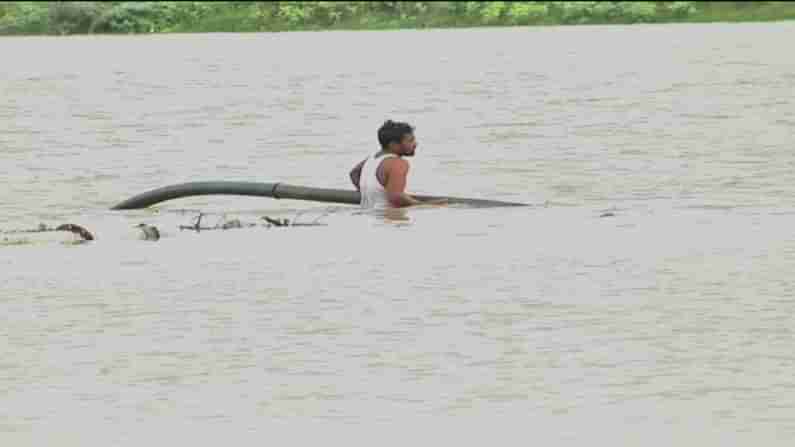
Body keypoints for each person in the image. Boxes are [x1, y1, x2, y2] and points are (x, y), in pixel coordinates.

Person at [349, 120, 446, 209]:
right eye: (410, 141)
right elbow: (396, 197)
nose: (415, 144)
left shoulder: (370, 159)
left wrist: (370, 191)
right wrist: (425, 206)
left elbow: (354, 173)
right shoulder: (397, 163)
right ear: (393, 145)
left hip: (368, 217)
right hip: (389, 221)